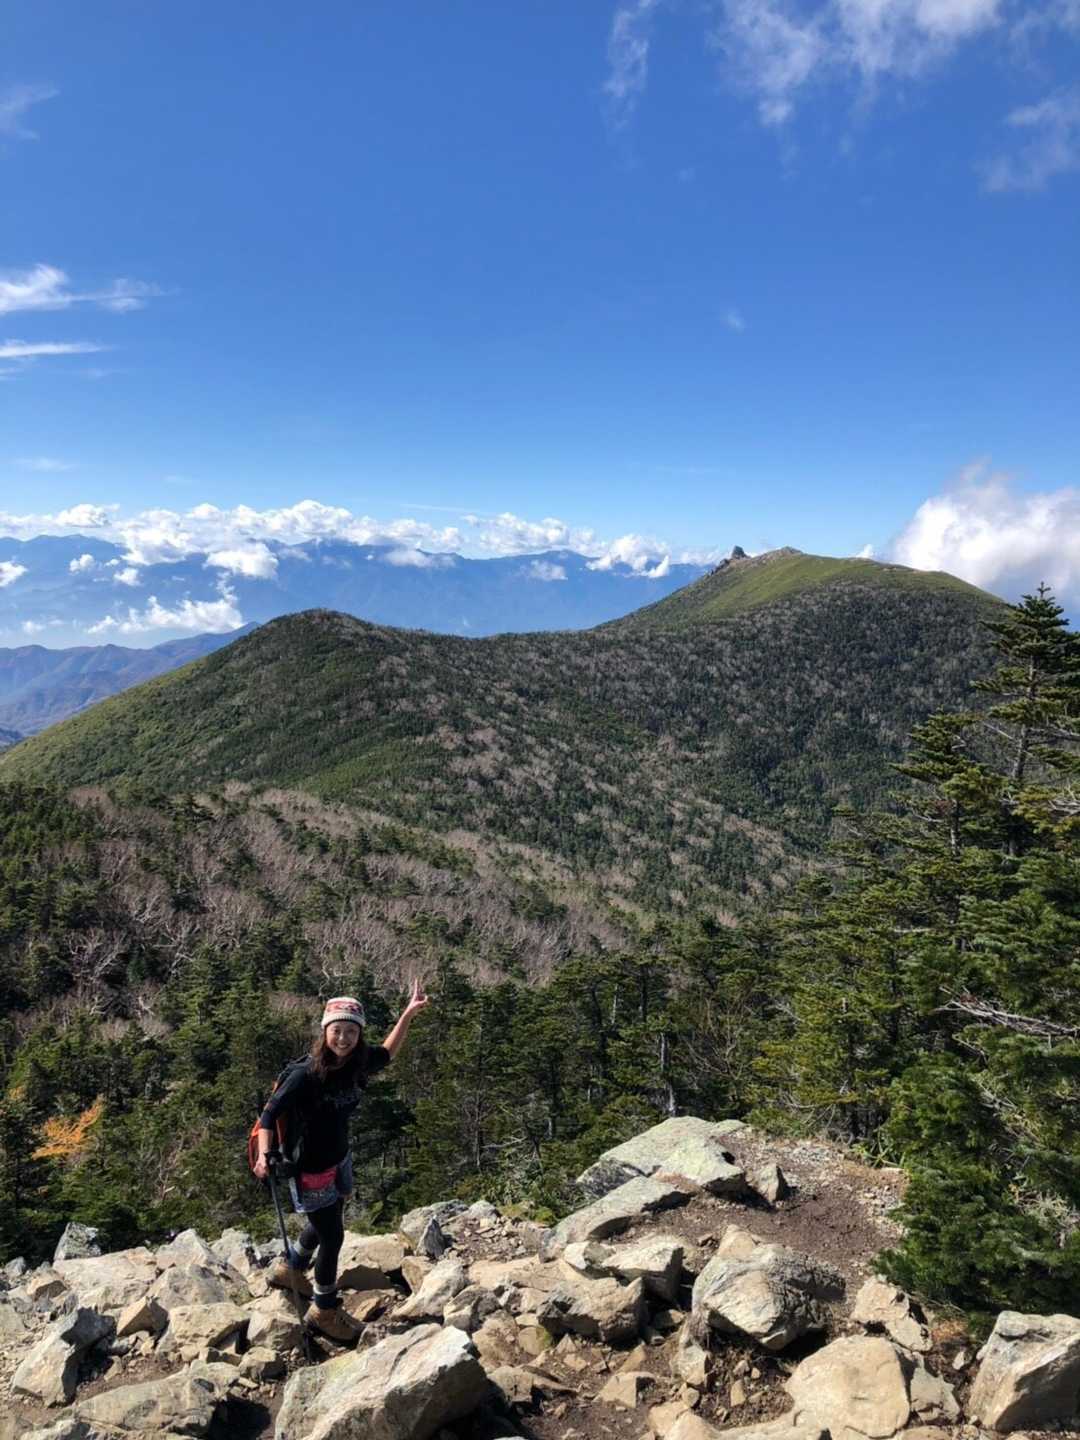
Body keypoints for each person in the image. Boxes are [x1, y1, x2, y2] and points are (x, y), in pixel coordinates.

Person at [254, 981, 429, 1342]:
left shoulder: (357, 1063)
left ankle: (292, 1266)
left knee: (329, 1217)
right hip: (310, 1166)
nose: (344, 1038)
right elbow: (269, 1115)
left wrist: (408, 1014)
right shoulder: (306, 1074)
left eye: (351, 1031)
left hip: (339, 1158)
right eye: (337, 1030)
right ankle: (324, 1309)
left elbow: (388, 1052)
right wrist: (263, 1156)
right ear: (325, 1031)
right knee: (333, 1236)